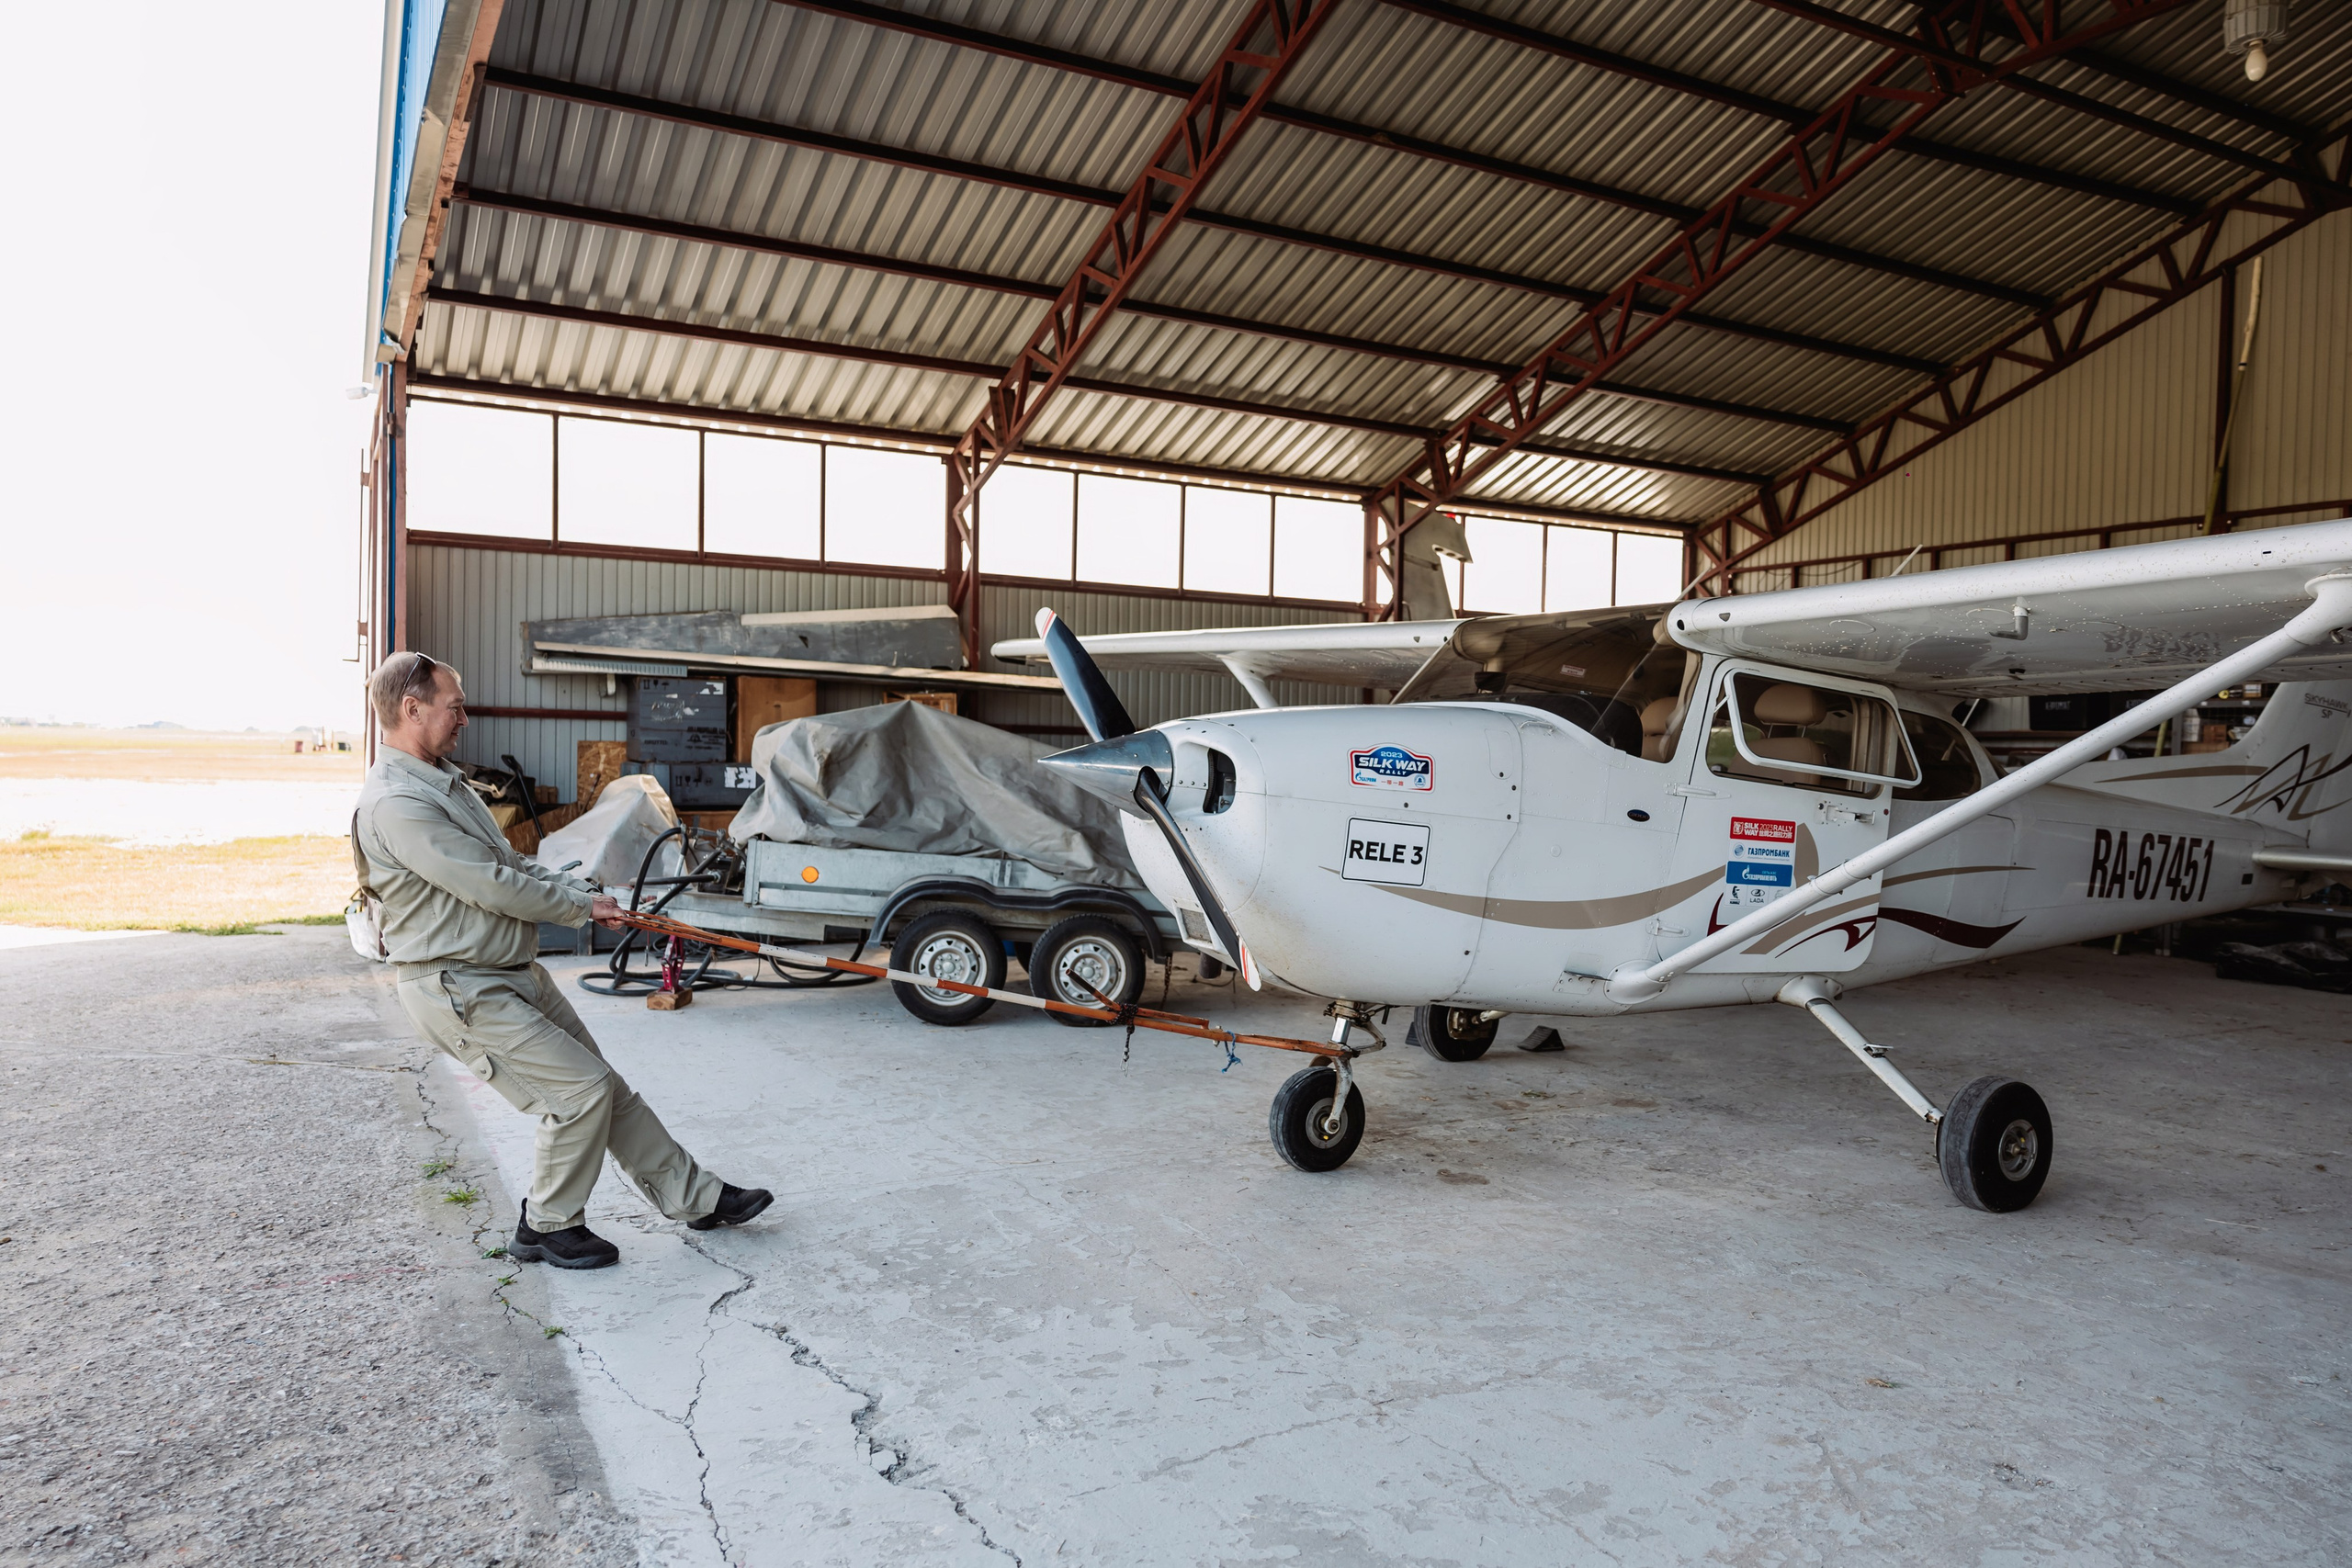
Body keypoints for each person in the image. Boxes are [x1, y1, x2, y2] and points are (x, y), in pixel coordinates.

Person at [355, 650, 770, 1269]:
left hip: (507, 971)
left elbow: (513, 863)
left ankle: (695, 1197)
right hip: (459, 985)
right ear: (411, 709)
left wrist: (585, 896)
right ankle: (547, 1225)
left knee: (608, 1090)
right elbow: (489, 884)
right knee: (580, 1092)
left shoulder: (443, 781)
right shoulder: (396, 802)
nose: (465, 717)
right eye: (454, 705)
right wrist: (580, 911)